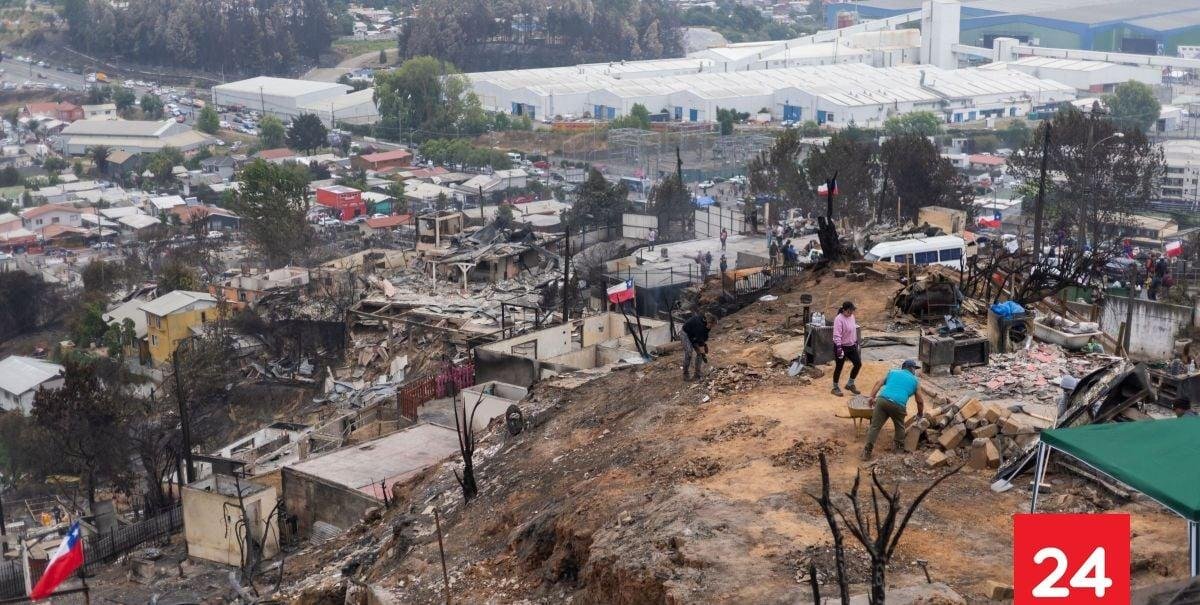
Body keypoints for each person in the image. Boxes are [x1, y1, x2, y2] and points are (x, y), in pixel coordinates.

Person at [861, 359, 927, 460]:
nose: (915, 371)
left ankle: (867, 452)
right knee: (899, 426)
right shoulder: (915, 381)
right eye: (915, 368)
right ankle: (898, 450)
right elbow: (920, 401)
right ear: (911, 368)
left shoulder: (892, 372)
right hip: (898, 405)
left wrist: (871, 397)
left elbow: (878, 383)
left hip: (882, 401)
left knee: (875, 426)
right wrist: (920, 414)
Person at [831, 301, 862, 396]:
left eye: (852, 311)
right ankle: (835, 387)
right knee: (839, 367)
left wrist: (856, 341)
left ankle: (850, 384)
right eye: (849, 311)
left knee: (858, 364)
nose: (851, 313)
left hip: (851, 345)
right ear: (844, 310)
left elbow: (853, 330)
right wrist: (839, 348)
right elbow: (837, 335)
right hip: (841, 346)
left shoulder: (852, 317)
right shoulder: (839, 319)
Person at [681, 312, 712, 380]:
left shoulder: (707, 325)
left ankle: (697, 373)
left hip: (694, 335)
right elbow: (699, 340)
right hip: (686, 333)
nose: (711, 328)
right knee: (689, 352)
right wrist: (703, 352)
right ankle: (685, 373)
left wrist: (705, 345)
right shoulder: (699, 324)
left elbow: (703, 337)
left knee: (700, 354)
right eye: (711, 325)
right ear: (708, 322)